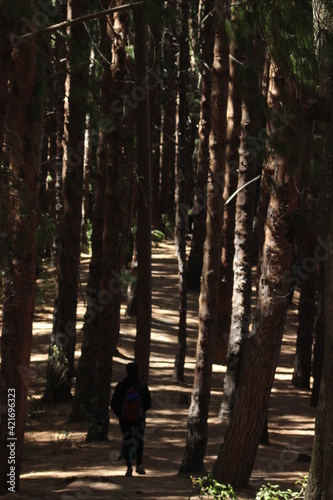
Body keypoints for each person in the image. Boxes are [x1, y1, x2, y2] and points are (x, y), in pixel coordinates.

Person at [111, 361, 151, 477]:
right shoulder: (142, 386)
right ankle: (139, 465)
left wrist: (120, 414)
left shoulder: (121, 386)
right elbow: (148, 404)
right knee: (139, 441)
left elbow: (113, 403)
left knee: (127, 440)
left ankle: (129, 468)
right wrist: (141, 412)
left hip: (124, 419)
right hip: (140, 418)